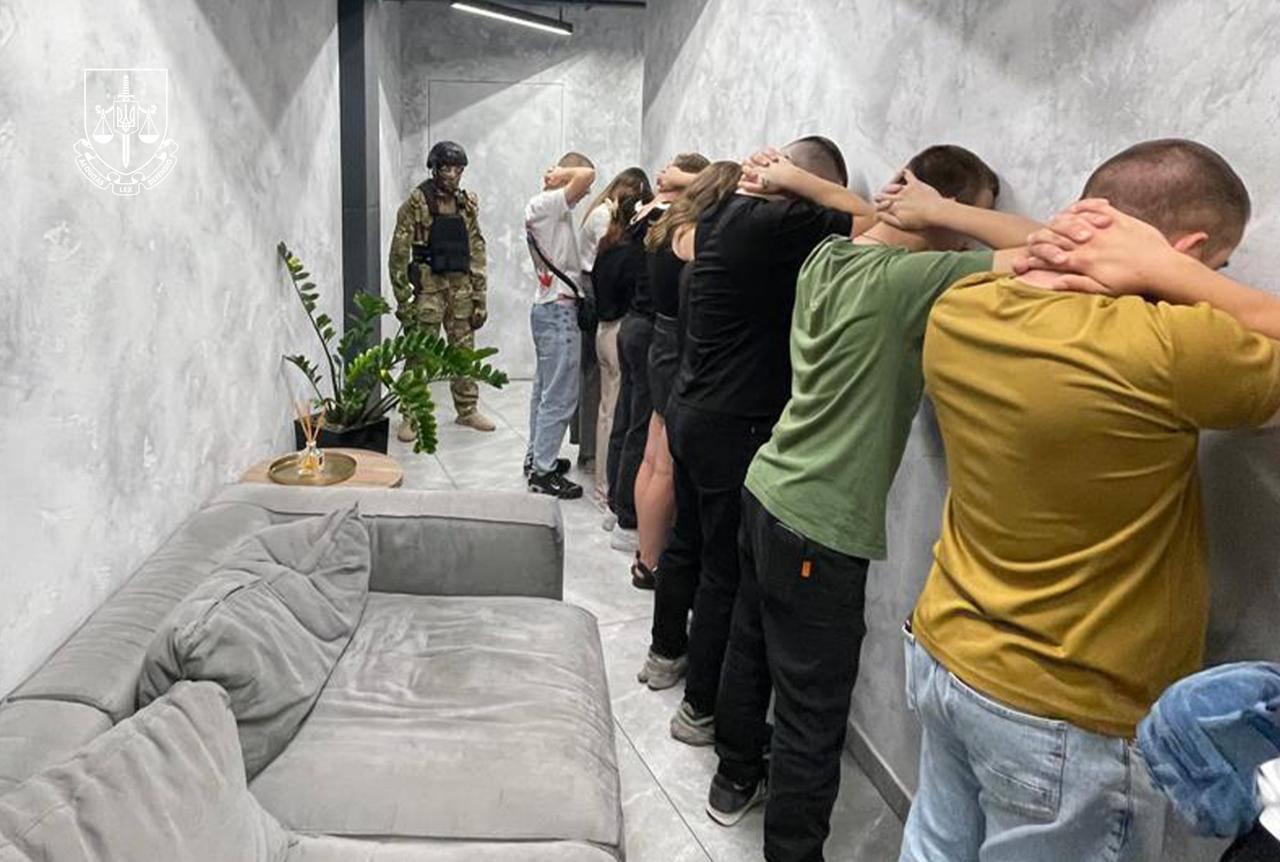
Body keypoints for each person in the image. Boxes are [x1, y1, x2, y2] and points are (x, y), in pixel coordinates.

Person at [900, 139, 1280, 862]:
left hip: (948, 650)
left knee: (933, 848)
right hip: (1065, 714)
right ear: (1188, 251)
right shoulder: (1168, 346)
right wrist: (1174, 275)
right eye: (1218, 266)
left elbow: (1033, 260)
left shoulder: (962, 308)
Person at [706, 145, 1039, 861]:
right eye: (970, 219)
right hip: (819, 524)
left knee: (749, 646)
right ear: (941, 210)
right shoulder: (913, 280)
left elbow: (863, 221)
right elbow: (1047, 249)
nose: (969, 240)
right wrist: (948, 213)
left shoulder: (827, 257)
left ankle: (733, 778)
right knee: (813, 711)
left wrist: (911, 206)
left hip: (767, 486)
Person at [660, 136, 877, 748]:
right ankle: (699, 709)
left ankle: (666, 656)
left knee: (691, 545)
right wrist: (801, 183)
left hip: (694, 407)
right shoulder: (774, 222)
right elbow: (869, 218)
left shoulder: (725, 213)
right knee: (723, 576)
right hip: (732, 422)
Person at [633, 160, 743, 682]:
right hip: (680, 352)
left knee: (652, 456)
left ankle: (646, 556)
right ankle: (649, 561)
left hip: (660, 342)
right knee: (663, 468)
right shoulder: (696, 241)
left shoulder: (663, 227)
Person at [605, 154, 709, 551]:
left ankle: (617, 505)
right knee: (644, 435)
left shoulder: (649, 218)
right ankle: (629, 519)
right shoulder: (678, 229)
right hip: (653, 331)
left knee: (627, 420)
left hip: (636, 324)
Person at [388, 140, 494, 437]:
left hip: (460, 289)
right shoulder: (416, 204)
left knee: (464, 352)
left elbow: (476, 249)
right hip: (429, 290)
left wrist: (480, 297)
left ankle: (467, 410)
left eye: (457, 169)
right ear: (434, 169)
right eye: (446, 168)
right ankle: (411, 413)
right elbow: (398, 254)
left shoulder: (465, 205)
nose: (452, 174)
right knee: (420, 354)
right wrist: (403, 300)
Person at [580, 167, 657, 507]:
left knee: (605, 410)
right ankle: (608, 489)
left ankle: (602, 484)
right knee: (616, 413)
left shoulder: (607, 247)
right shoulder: (632, 254)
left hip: (603, 330)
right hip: (619, 331)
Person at [524, 152, 596, 499]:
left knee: (544, 391)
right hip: (558, 313)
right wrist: (562, 173)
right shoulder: (549, 204)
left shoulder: (546, 207)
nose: (584, 195)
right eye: (579, 191)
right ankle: (543, 472)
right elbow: (587, 173)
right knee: (560, 396)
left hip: (548, 310)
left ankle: (537, 458)